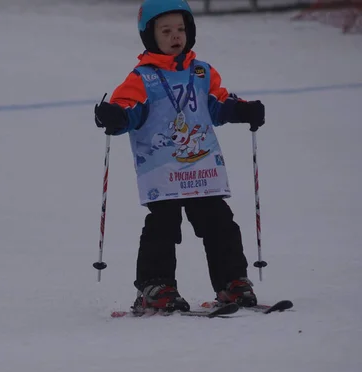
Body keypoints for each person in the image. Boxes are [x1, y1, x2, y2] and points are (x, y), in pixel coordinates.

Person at [94, 0, 265, 313]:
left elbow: (218, 104)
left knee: (219, 222)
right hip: (162, 171)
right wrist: (115, 116)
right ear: (150, 36)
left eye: (181, 29)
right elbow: (128, 109)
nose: (176, 36)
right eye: (166, 30)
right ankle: (154, 286)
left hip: (202, 167)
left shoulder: (201, 72)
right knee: (163, 225)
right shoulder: (142, 78)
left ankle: (232, 282)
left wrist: (243, 109)